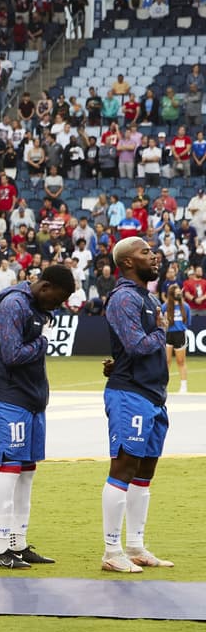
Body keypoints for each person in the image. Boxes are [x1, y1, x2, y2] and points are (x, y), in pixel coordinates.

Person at [0, 265, 75, 569]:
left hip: (33, 398)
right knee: (10, 469)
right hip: (12, 398)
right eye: (57, 299)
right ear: (45, 286)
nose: (57, 305)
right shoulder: (13, 305)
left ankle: (19, 543)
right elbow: (11, 355)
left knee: (27, 471)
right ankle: (1, 547)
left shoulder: (37, 307)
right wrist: (45, 340)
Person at [101, 238, 174, 573]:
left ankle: (135, 546)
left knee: (145, 472)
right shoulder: (124, 298)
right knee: (124, 467)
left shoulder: (146, 296)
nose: (153, 254)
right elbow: (137, 344)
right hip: (131, 394)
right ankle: (112, 551)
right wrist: (162, 330)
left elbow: (136, 349)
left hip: (153, 393)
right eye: (145, 251)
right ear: (127, 262)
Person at [164, 285, 190, 394]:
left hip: (180, 334)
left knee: (181, 361)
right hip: (168, 334)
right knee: (166, 361)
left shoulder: (185, 306)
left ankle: (184, 387)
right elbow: (160, 320)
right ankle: (163, 386)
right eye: (177, 292)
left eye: (180, 292)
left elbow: (188, 322)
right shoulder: (165, 306)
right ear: (172, 294)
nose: (179, 293)